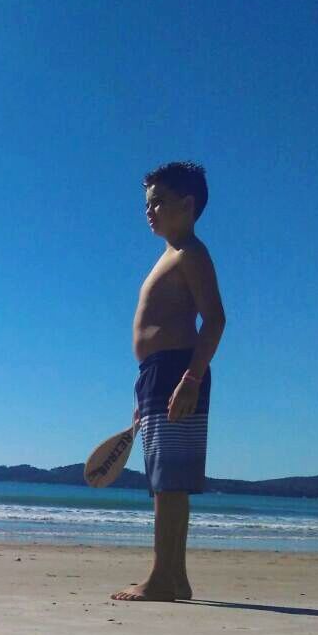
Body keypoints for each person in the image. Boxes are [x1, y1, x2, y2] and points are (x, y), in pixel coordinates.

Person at [113, 161, 226, 601]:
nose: (150, 211)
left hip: (178, 369)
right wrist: (145, 392)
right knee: (167, 477)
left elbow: (215, 319)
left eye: (158, 201)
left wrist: (191, 377)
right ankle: (176, 577)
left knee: (168, 481)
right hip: (157, 375)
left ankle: (162, 577)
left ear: (188, 204)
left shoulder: (190, 253)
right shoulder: (168, 255)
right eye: (147, 204)